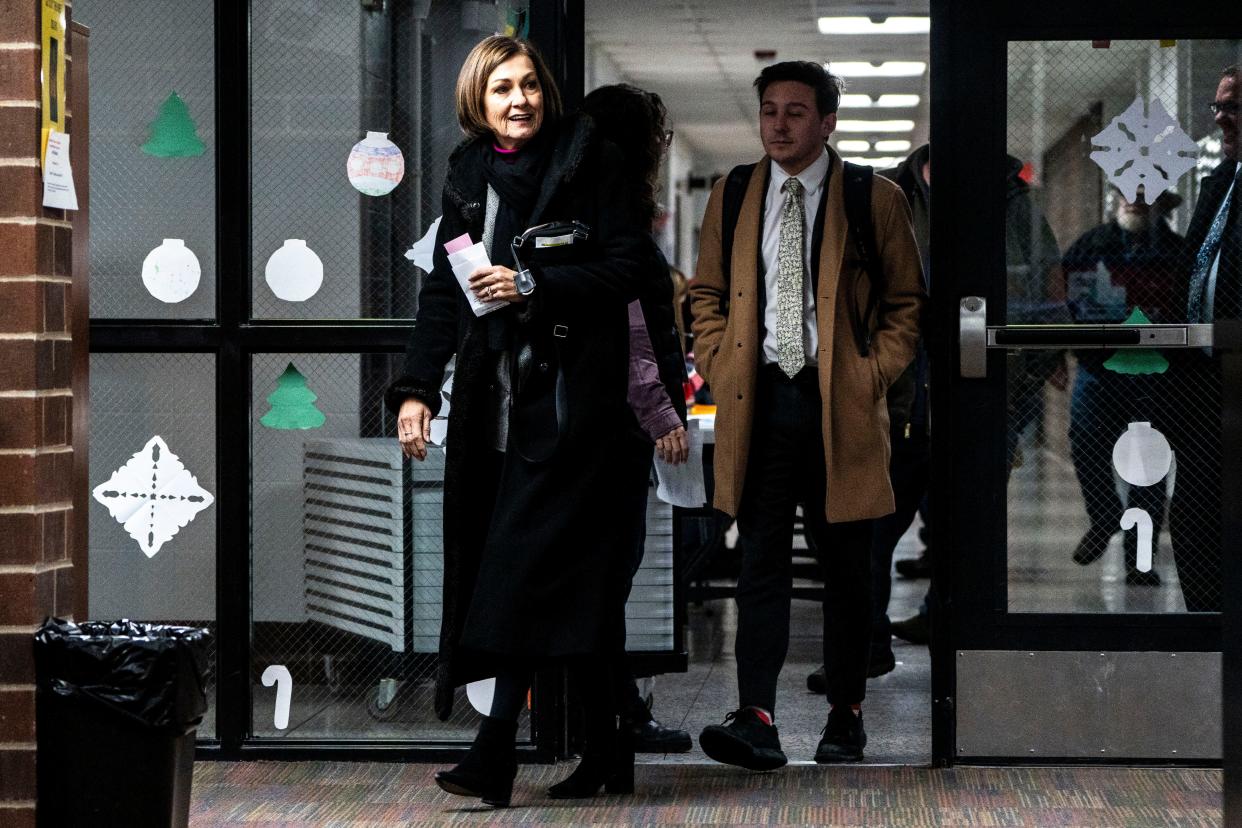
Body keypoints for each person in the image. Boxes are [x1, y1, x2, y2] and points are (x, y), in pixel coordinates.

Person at [386, 36, 660, 807]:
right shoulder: (469, 173)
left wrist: (535, 282)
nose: (521, 99)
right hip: (495, 409)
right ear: (478, 100)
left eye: (531, 84)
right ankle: (608, 750)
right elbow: (445, 292)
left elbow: (631, 267)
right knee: (566, 591)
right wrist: (417, 390)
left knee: (515, 575)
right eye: (503, 86)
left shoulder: (590, 159)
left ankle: (494, 750)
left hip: (575, 414)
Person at [689, 60, 924, 768]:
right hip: (758, 401)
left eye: (796, 112)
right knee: (760, 563)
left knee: (846, 568)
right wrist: (722, 359)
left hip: (838, 405)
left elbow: (907, 305)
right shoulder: (733, 195)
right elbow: (705, 293)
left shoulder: (871, 196)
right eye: (769, 111)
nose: (779, 125)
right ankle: (756, 716)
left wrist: (866, 375)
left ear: (827, 122)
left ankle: (845, 713)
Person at [580, 82, 694, 755]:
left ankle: (614, 710)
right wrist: (661, 415)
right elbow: (635, 329)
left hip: (583, 423)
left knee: (598, 579)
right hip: (616, 428)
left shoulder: (576, 206)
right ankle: (615, 717)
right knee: (609, 577)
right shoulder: (617, 216)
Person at [1062, 186, 1191, 585]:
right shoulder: (1091, 245)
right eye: (1128, 192)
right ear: (1115, 198)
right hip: (1099, 367)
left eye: (1145, 193)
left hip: (1155, 373)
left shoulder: (1177, 252)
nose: (1135, 200)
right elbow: (1061, 296)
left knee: (1146, 467)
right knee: (1085, 442)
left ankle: (1140, 559)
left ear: (1161, 204)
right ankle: (1104, 516)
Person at [1172, 65, 1241, 612]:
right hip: (1203, 382)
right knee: (1193, 515)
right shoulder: (1221, 179)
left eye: (1233, 107)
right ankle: (1209, 633)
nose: (1221, 118)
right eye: (1218, 106)